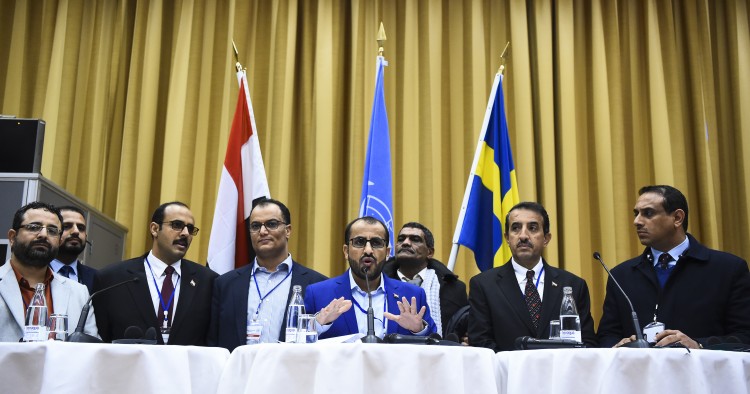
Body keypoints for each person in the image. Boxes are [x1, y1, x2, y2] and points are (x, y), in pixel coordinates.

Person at [597, 185, 750, 348]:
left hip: (701, 371)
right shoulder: (621, 275)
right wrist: (619, 345)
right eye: (636, 214)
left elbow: (745, 336)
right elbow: (606, 336)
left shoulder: (728, 269)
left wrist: (699, 345)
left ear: (677, 218)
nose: (637, 221)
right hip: (640, 371)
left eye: (648, 213)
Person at [468, 202, 597, 351]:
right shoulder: (484, 285)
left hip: (560, 372)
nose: (523, 236)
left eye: (532, 228)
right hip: (509, 372)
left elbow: (587, 343)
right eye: (515, 228)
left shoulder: (573, 285)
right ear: (507, 238)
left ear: (546, 238)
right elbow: (481, 344)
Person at [208, 198, 327, 351]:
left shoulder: (317, 284)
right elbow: (213, 344)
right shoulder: (225, 284)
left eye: (271, 224)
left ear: (288, 230)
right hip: (238, 372)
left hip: (291, 372)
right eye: (256, 226)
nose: (263, 232)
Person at [93, 202, 217, 345]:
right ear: (154, 229)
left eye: (190, 228)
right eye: (177, 225)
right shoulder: (112, 279)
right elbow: (100, 340)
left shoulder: (208, 281)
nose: (185, 233)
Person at [304, 216, 438, 339]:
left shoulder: (412, 295)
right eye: (359, 242)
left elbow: (435, 343)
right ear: (346, 251)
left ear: (387, 252)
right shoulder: (318, 294)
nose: (368, 250)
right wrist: (318, 324)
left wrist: (418, 330)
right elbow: (298, 347)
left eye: (376, 242)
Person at [0, 202, 97, 342]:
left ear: (58, 241)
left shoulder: (79, 292)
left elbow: (91, 348)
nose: (44, 235)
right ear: (12, 237)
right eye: (34, 227)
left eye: (52, 231)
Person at [382, 222, 467, 337]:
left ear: (430, 252)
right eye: (401, 239)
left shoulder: (454, 288)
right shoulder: (379, 283)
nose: (406, 243)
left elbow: (461, 329)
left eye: (415, 239)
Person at [49, 206, 97, 295]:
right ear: (52, 232)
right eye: (66, 226)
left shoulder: (96, 278)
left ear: (86, 236)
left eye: (81, 228)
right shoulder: (35, 270)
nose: (76, 231)